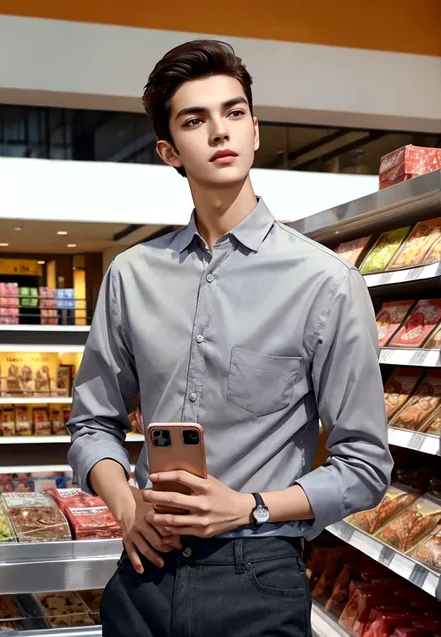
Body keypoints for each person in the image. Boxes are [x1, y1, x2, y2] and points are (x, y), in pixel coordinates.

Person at [68, 40, 393, 637]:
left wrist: (249, 506)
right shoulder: (131, 276)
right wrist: (125, 505)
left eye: (234, 112)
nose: (220, 131)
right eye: (196, 120)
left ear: (256, 129)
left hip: (258, 574)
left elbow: (365, 465)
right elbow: (93, 424)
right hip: (144, 574)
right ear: (170, 151)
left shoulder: (325, 281)